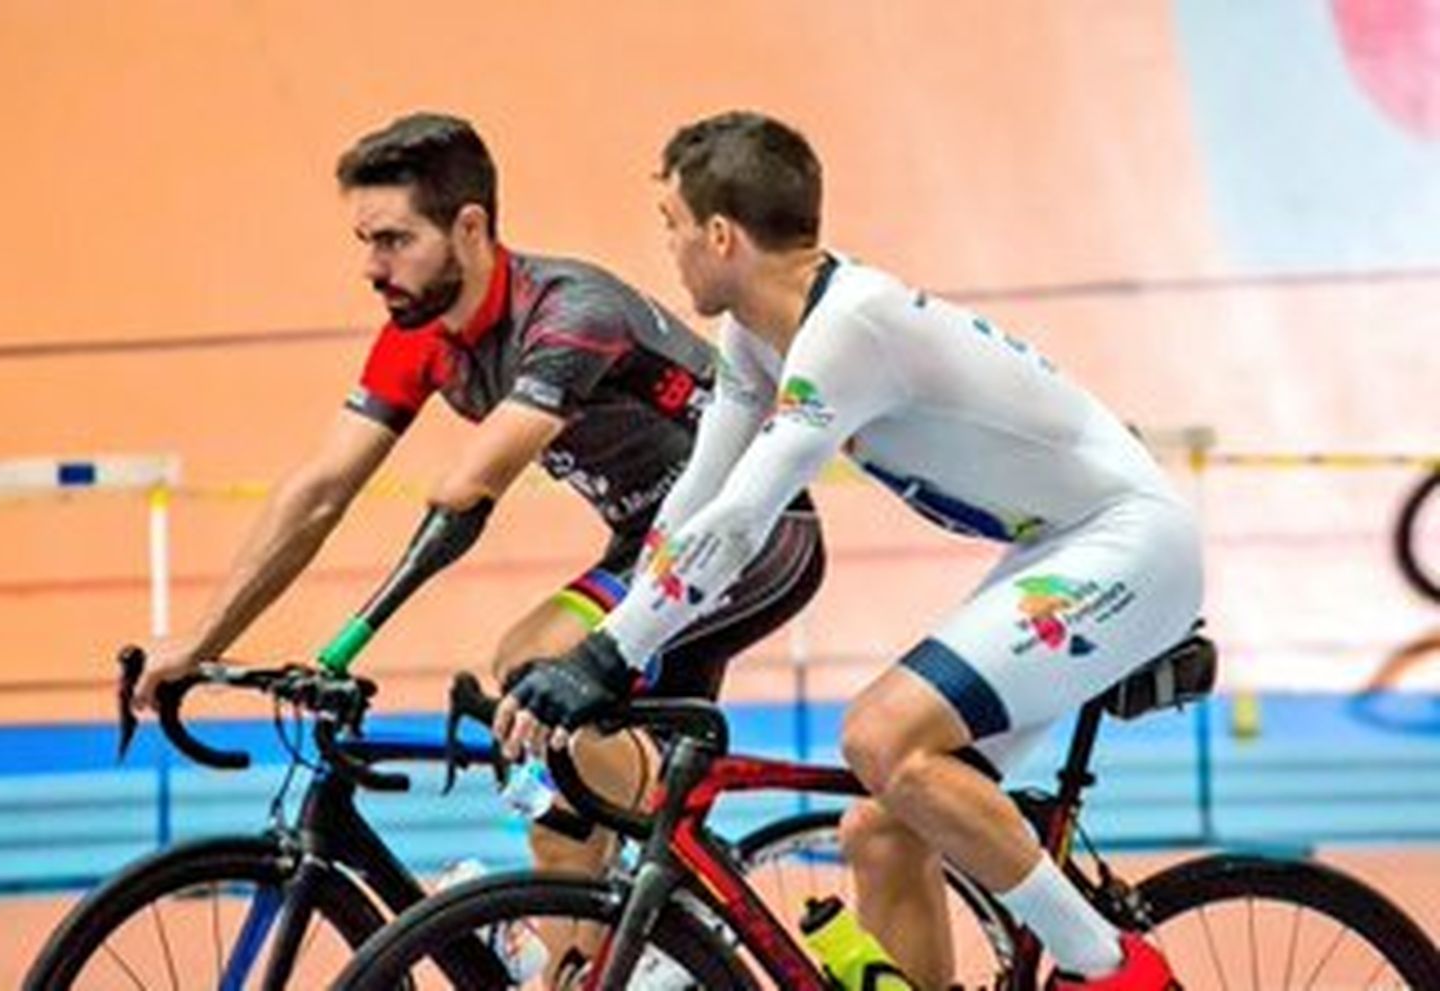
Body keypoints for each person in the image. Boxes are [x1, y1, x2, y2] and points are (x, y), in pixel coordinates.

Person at [496, 111, 1200, 991]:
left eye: (671, 226)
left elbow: (746, 518)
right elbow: (694, 504)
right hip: (1063, 544)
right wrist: (617, 646)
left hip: (1127, 546)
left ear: (721, 235)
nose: (668, 249)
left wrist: (608, 652)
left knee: (881, 737)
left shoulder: (849, 330)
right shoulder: (757, 333)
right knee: (884, 828)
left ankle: (1112, 970)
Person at [131, 112, 825, 900]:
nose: (371, 266)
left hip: (756, 537)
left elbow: (467, 491)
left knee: (529, 660)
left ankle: (701, 908)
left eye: (392, 240)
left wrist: (343, 646)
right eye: (364, 242)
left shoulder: (570, 312)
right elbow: (321, 489)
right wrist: (201, 640)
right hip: (650, 542)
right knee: (560, 822)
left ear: (469, 227)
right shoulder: (420, 335)